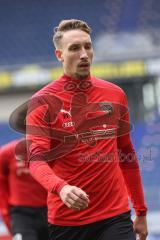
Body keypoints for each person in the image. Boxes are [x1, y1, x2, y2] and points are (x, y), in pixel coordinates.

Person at [12, 19, 148, 240]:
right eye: (74, 48)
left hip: (115, 217)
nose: (84, 54)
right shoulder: (42, 102)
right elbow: (36, 160)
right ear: (59, 55)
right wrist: (62, 188)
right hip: (68, 222)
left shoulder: (115, 95)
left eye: (88, 46)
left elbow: (127, 154)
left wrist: (140, 211)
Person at [0, 139, 48, 240]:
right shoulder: (7, 152)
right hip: (21, 214)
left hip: (50, 212)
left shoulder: (55, 152)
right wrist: (6, 214)